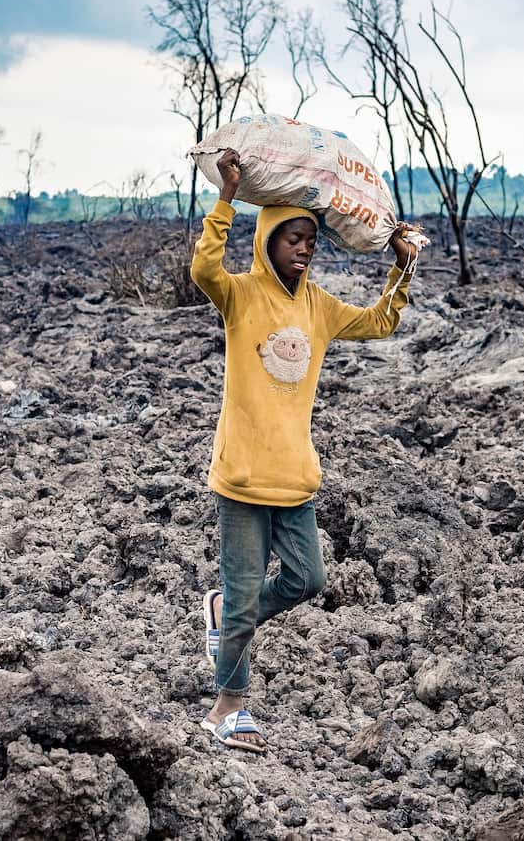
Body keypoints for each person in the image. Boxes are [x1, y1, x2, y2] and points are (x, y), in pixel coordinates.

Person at [193, 148, 419, 753]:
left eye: (310, 241)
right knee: (245, 594)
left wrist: (401, 271)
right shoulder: (240, 296)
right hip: (242, 476)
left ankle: (226, 616)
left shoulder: (318, 306)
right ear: (267, 241)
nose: (303, 249)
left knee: (307, 579)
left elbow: (379, 323)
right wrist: (226, 197)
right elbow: (204, 270)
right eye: (292, 239)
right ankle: (227, 710)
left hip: (295, 476)